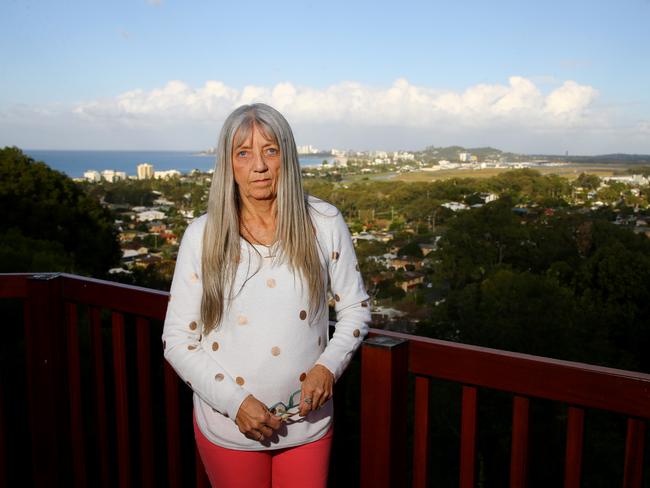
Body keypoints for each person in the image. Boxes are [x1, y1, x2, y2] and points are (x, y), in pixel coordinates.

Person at [162, 103, 371, 487]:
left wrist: (327, 367)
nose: (258, 165)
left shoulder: (324, 223)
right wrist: (235, 403)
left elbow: (356, 308)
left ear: (286, 157)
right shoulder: (202, 236)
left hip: (308, 426)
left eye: (270, 150)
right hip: (228, 428)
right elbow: (177, 340)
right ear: (229, 164)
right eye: (244, 153)